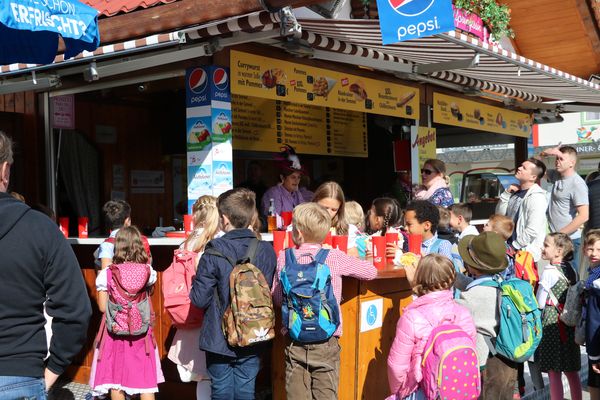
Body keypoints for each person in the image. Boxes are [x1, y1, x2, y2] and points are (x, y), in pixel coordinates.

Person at [0, 131, 91, 398]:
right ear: (5, 169)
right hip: (19, 376)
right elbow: (76, 310)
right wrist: (52, 371)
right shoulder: (41, 229)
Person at [271, 203, 377, 399]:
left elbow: (278, 299)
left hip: (294, 338)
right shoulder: (334, 257)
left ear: (299, 233)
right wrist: (369, 258)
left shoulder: (283, 258)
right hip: (326, 339)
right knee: (325, 394)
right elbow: (371, 272)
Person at [190, 188, 276, 398]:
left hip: (219, 337)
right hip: (254, 332)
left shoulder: (214, 250)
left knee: (221, 391)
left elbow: (199, 299)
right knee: (246, 390)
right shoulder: (266, 250)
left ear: (224, 219)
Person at [387, 254, 477, 399]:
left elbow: (397, 366)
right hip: (455, 389)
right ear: (451, 279)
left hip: (421, 389)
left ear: (419, 278)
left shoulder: (411, 317)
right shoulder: (462, 313)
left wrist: (400, 392)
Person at [90, 226, 164, 399]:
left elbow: (102, 307)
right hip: (141, 332)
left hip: (115, 331)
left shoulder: (107, 274)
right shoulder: (148, 272)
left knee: (117, 382)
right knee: (146, 381)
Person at [167, 195, 219, 399]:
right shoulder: (215, 245)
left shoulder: (186, 244)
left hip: (188, 313)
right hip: (209, 317)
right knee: (213, 375)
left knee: (201, 376)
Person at [454, 232, 516, 399]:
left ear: (472, 266)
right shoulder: (500, 284)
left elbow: (450, 313)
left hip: (488, 364)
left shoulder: (474, 297)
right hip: (508, 358)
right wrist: (453, 276)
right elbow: (475, 286)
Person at [536, 233, 582, 400]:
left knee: (553, 371)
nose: (543, 247)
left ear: (558, 250)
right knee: (571, 370)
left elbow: (540, 302)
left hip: (552, 322)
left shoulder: (548, 271)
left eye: (546, 245)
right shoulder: (572, 269)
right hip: (568, 322)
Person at [540, 145, 589, 272]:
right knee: (556, 279)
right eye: (556, 158)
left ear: (572, 163)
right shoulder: (556, 175)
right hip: (557, 239)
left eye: (561, 158)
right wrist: (545, 153)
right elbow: (535, 167)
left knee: (570, 281)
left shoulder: (577, 184)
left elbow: (584, 215)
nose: (557, 161)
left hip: (569, 240)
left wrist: (560, 235)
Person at [495, 157, 548, 262]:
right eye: (521, 165)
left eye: (524, 168)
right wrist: (506, 193)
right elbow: (499, 216)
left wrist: (514, 246)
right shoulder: (514, 192)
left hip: (524, 254)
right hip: (510, 250)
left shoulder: (537, 197)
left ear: (533, 177)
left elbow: (532, 230)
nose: (519, 168)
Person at [95, 200, 152, 270]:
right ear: (127, 221)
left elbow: (105, 273)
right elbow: (149, 265)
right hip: (141, 280)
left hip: (118, 280)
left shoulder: (107, 245)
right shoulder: (141, 240)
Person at [312, 181, 361, 257]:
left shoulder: (346, 229)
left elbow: (354, 255)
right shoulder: (303, 227)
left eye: (334, 209)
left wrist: (334, 253)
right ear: (315, 202)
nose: (328, 213)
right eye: (324, 208)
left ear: (339, 210)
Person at [261, 145, 307, 219]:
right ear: (282, 177)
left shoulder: (297, 193)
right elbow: (275, 220)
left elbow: (305, 214)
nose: (296, 180)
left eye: (299, 177)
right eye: (293, 177)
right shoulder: (274, 193)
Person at [581, 229, 600, 400]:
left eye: (599, 250)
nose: (594, 253)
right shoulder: (591, 270)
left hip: (596, 339)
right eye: (591, 248)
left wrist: (594, 353)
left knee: (594, 379)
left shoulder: (596, 281)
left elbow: (595, 318)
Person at [483, 214, 515, 279]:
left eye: (487, 225)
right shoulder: (493, 247)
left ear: (494, 233)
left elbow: (500, 279)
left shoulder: (502, 254)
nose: (484, 224)